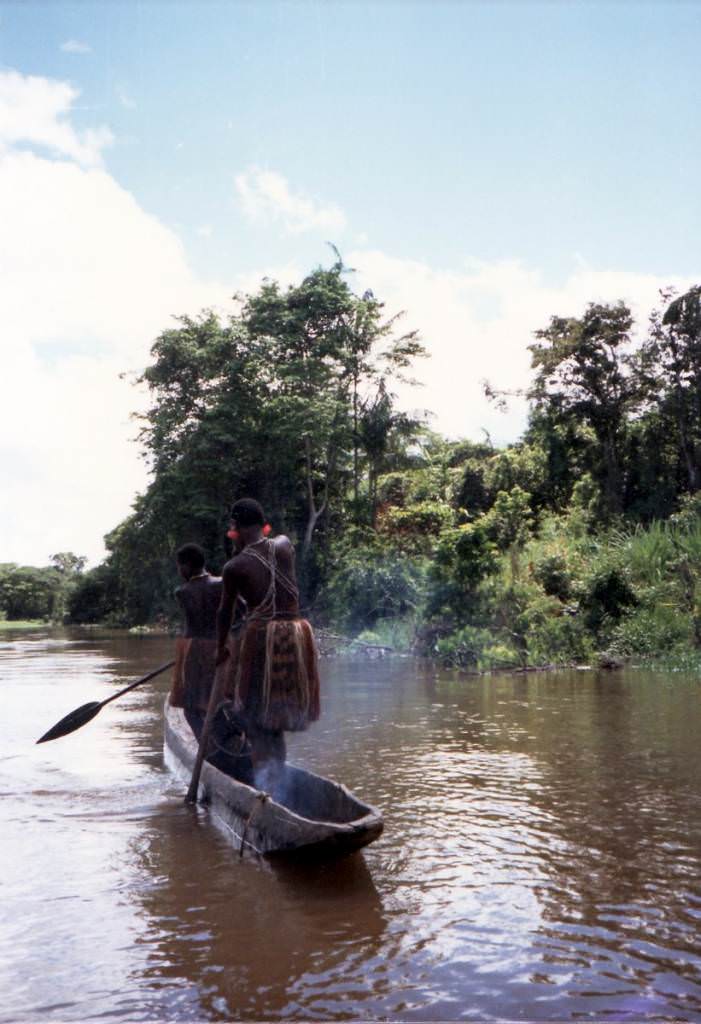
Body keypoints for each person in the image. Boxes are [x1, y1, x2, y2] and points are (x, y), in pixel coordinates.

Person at [215, 498, 320, 782]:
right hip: (297, 635)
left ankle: (264, 785)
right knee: (276, 718)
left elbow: (225, 613)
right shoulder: (284, 545)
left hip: (262, 639)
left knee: (254, 715)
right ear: (263, 525)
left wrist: (221, 648)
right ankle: (275, 776)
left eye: (232, 529)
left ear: (235, 527)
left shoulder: (234, 567)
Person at [170, 543, 223, 731]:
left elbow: (191, 625)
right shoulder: (222, 584)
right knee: (219, 699)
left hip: (195, 651)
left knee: (191, 707)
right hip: (224, 647)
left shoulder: (182, 592)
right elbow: (240, 614)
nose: (179, 570)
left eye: (179, 566)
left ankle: (206, 745)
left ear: (185, 566)